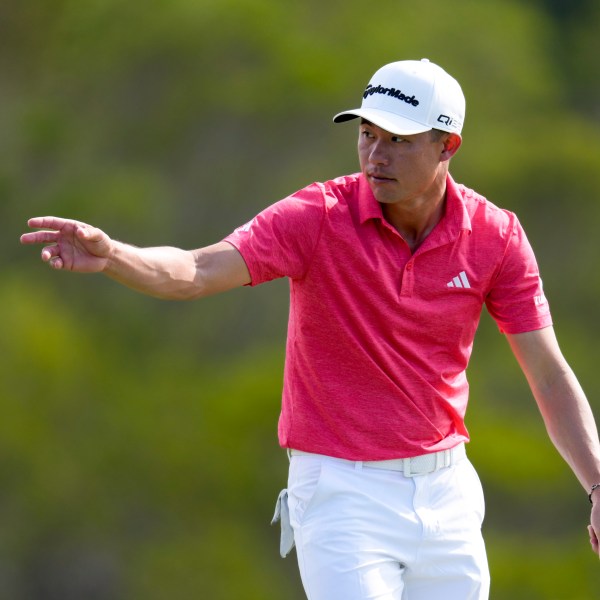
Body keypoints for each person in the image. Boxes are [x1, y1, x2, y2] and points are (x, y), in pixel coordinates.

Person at [20, 58, 600, 600]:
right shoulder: (318, 217)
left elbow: (547, 374)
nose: (376, 155)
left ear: (448, 145)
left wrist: (597, 485)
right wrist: (115, 254)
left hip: (448, 492)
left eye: (397, 140)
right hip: (343, 495)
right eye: (368, 134)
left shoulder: (496, 236)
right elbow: (195, 271)